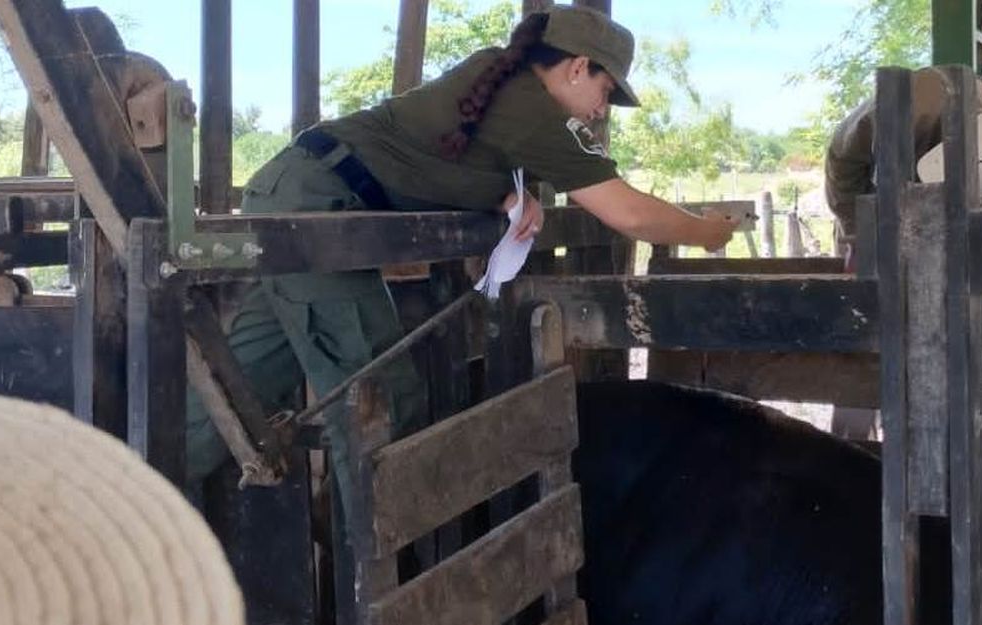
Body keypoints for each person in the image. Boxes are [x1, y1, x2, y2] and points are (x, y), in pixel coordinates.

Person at [186, 5, 738, 485]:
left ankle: (133, 495)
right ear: (576, 67)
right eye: (605, 91)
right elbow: (632, 215)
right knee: (383, 404)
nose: (600, 109)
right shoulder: (535, 111)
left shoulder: (502, 83)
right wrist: (706, 231)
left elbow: (442, 156)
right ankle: (375, 581)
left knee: (239, 390)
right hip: (315, 213)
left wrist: (506, 193)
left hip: (293, 190)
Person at [823, 66, 982, 271]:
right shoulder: (861, 134)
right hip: (878, 199)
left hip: (959, 174)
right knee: (864, 276)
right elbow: (841, 181)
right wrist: (856, 238)